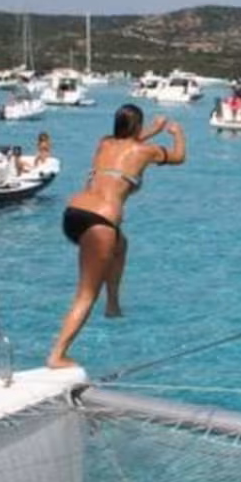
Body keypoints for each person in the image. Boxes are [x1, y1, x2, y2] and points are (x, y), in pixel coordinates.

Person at [47, 105, 185, 369]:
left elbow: (127, 144)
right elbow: (179, 157)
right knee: (86, 295)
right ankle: (57, 354)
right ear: (137, 127)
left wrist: (151, 131)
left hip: (73, 213)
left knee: (121, 244)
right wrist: (176, 133)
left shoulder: (104, 143)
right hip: (100, 223)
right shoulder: (147, 151)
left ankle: (113, 304)